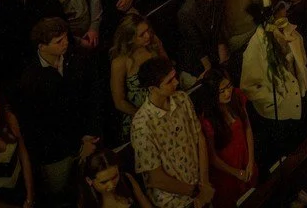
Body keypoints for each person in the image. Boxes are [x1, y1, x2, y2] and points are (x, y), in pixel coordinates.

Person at [16, 18, 100, 207]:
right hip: (55, 155)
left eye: (65, 38)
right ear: (42, 46)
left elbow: (92, 97)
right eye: (58, 41)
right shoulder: (30, 78)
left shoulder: (76, 58)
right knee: (62, 196)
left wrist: (89, 134)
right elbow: (40, 127)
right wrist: (77, 148)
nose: (66, 43)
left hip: (86, 138)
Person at [130, 57, 211, 208]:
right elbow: (156, 178)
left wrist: (204, 182)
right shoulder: (142, 125)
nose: (176, 82)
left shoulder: (182, 99)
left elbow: (199, 138)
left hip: (198, 186)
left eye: (174, 77)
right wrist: (195, 192)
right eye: (169, 81)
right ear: (152, 88)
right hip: (174, 202)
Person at [239, 8, 307, 168]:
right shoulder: (257, 44)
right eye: (281, 10)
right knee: (290, 158)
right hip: (280, 112)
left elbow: (301, 60)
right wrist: (275, 98)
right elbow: (247, 86)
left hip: (299, 100)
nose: (285, 13)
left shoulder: (289, 29)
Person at [194, 70, 256, 208]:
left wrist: (251, 160)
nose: (227, 93)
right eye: (221, 91)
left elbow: (247, 128)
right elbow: (212, 157)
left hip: (245, 158)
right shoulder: (208, 120)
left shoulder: (237, 97)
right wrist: (235, 172)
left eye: (228, 86)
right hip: (226, 170)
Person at [109, 12, 170, 142]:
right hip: (140, 115)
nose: (148, 36)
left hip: (165, 104)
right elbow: (119, 101)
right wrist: (145, 116)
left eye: (148, 31)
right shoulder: (120, 62)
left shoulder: (154, 44)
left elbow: (168, 70)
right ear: (130, 38)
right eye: (142, 35)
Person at [175, 0, 227, 78]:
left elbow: (219, 29)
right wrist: (209, 69)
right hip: (194, 66)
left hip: (213, 55)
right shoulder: (188, 12)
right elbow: (195, 44)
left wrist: (223, 61)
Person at [80, 148, 153, 208]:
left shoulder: (126, 179)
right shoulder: (89, 203)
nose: (112, 185)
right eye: (104, 182)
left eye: (115, 177)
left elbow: (143, 201)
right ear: (89, 180)